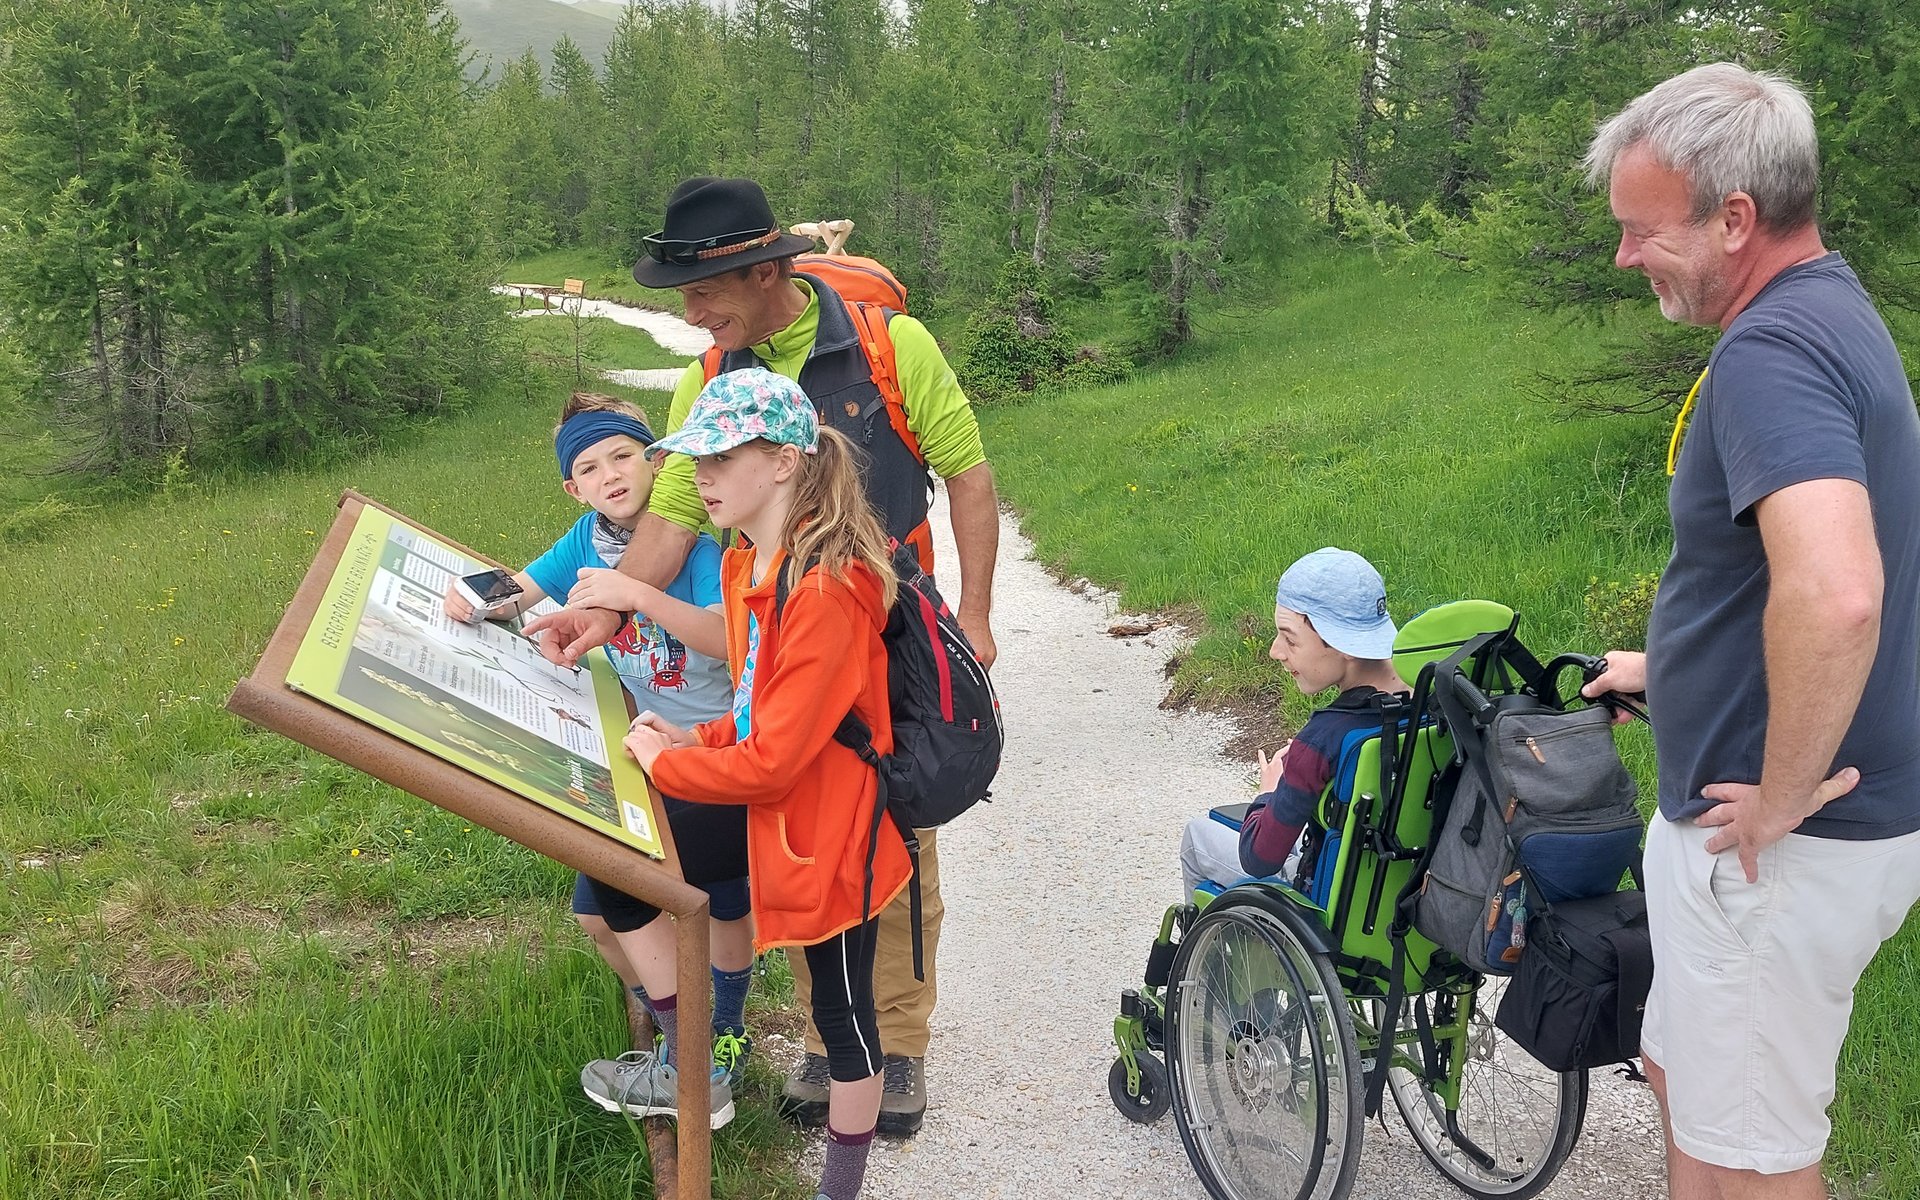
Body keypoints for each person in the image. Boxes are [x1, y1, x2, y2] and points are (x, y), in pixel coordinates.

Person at [528, 176, 999, 1135]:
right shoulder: (711, 373)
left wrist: (979, 621)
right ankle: (836, 1037)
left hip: (892, 637)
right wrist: (609, 620)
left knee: (889, 832)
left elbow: (971, 479)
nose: (694, 314)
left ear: (770, 270)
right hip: (776, 630)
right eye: (685, 298)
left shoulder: (888, 347)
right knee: (796, 819)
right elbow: (667, 518)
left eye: (706, 292)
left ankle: (894, 1048)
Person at [1580, 63, 1920, 1200]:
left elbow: (1836, 593)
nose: (1627, 257)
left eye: (1642, 231)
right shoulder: (1826, 309)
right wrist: (1668, 673)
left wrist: (1781, 791)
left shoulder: (1769, 354)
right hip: (1777, 840)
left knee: (1753, 1169)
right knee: (1687, 1079)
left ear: (1734, 219)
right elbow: (1776, 579)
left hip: (1776, 848)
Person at [616, 367, 911, 1200]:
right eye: (694, 458)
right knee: (616, 869)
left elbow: (777, 756)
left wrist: (673, 763)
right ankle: (698, 1063)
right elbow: (754, 711)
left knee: (845, 1022)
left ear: (784, 462)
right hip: (781, 819)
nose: (699, 475)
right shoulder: (758, 560)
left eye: (720, 456)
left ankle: (840, 1189)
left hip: (831, 834)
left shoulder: (824, 586)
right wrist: (690, 736)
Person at [442, 392, 756, 1124]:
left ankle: (713, 1046)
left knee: (718, 898)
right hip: (638, 749)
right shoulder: (584, 539)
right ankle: (690, 1035)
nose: (611, 474)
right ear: (572, 487)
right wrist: (473, 599)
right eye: (590, 466)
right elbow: (519, 590)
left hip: (714, 749)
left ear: (658, 462)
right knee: (595, 912)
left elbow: (727, 638)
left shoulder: (699, 542)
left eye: (625, 455)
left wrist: (636, 594)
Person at [1178, 548, 1409, 895]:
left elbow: (1259, 859)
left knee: (1198, 836)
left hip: (1325, 903)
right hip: (1405, 892)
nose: (1275, 651)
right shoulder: (1431, 701)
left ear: (1343, 643)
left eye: (1290, 637)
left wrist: (1268, 793)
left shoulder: (1321, 740)